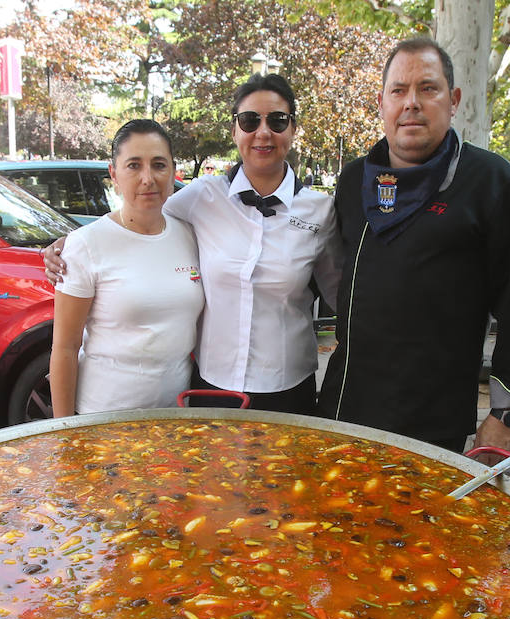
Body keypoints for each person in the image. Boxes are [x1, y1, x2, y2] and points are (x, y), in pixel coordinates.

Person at [46, 75, 341, 414]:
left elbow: (339, 293)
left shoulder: (320, 211)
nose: (263, 132)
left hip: (288, 385)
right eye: (249, 121)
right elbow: (140, 217)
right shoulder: (202, 196)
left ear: (292, 129)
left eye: (277, 120)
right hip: (211, 384)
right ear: (235, 131)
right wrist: (68, 243)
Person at [317, 37, 510, 453]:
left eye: (428, 89)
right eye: (398, 91)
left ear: (454, 99)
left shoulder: (492, 182)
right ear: (381, 103)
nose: (411, 103)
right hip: (344, 407)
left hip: (433, 424)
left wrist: (505, 415)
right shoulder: (354, 180)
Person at [49, 119, 204, 417]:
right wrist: (64, 432)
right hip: (105, 417)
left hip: (176, 415)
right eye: (134, 165)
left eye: (159, 165)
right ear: (114, 174)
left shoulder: (190, 234)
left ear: (173, 172)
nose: (148, 178)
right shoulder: (86, 244)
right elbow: (65, 348)